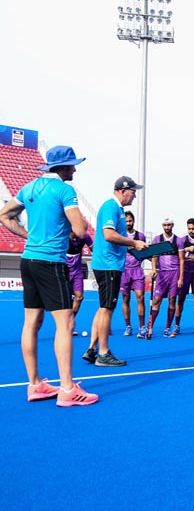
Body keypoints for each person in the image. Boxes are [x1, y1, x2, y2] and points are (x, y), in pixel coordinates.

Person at [0, 145, 98, 406]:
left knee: (31, 323)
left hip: (28, 260)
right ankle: (67, 389)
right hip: (51, 263)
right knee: (65, 323)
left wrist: (29, 236)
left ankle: (35, 384)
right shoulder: (65, 190)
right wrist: (79, 226)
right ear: (63, 167)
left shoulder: (30, 187)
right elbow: (79, 228)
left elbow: (4, 215)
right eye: (73, 165)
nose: (75, 169)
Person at [83, 176, 148, 367]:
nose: (134, 196)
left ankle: (92, 348)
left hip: (108, 263)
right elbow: (109, 235)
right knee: (107, 309)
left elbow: (113, 239)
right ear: (122, 190)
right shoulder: (112, 207)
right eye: (133, 192)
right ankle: (103, 353)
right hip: (108, 265)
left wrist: (132, 247)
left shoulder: (116, 209)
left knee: (103, 308)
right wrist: (133, 242)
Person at [147, 217, 185, 338]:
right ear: (162, 225)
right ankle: (149, 327)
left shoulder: (178, 241)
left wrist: (181, 278)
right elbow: (154, 256)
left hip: (175, 273)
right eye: (165, 225)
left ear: (172, 225)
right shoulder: (157, 239)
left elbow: (181, 260)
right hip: (162, 274)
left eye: (169, 225)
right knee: (157, 300)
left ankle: (168, 327)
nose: (167, 227)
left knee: (172, 300)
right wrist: (153, 269)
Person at [119, 210, 147, 338]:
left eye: (130, 221)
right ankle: (128, 326)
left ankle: (142, 326)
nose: (128, 223)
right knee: (125, 298)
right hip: (124, 271)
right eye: (126, 221)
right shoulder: (120, 236)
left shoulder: (140, 236)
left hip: (137, 270)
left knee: (140, 297)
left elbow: (144, 253)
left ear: (133, 221)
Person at [175, 218, 194, 335]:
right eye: (189, 229)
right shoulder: (182, 240)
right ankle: (176, 325)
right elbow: (176, 255)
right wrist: (186, 250)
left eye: (193, 228)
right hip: (185, 272)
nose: (191, 231)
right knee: (180, 299)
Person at [66, 231, 93, 333]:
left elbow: (94, 249)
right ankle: (65, 326)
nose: (74, 238)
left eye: (76, 236)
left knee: (79, 297)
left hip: (77, 272)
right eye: (72, 235)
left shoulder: (85, 236)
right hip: (65, 272)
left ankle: (69, 321)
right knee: (66, 300)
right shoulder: (63, 235)